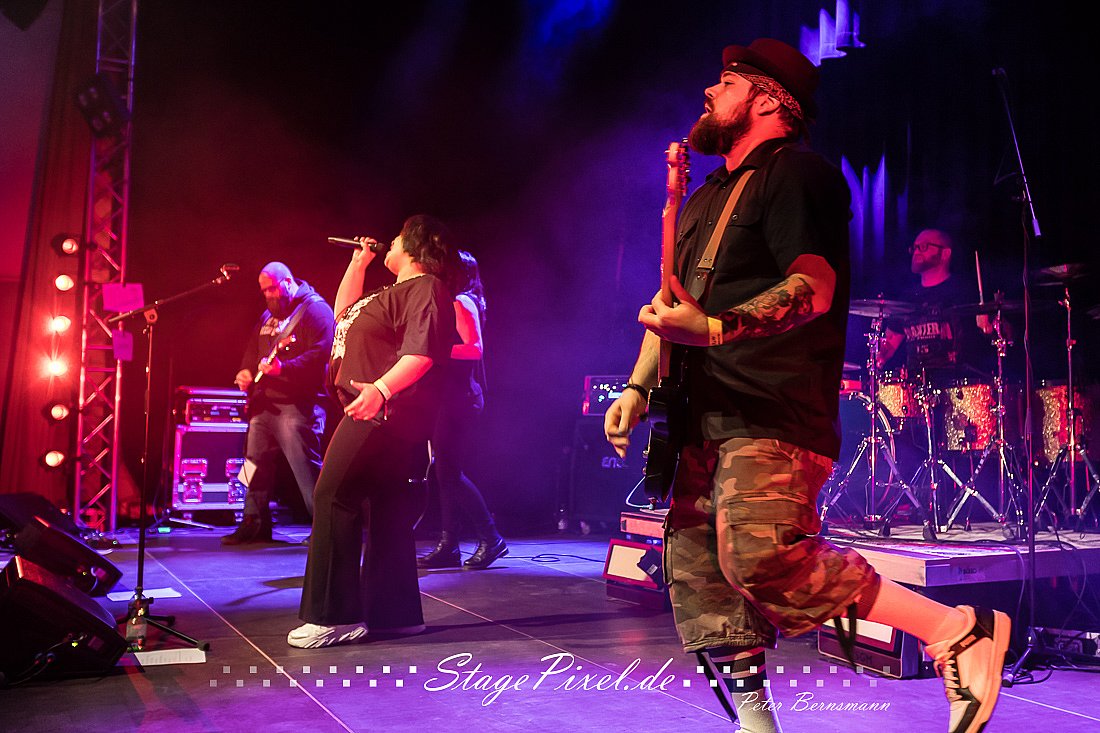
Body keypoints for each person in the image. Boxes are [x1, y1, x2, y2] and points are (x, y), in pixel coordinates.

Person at [603, 38, 1010, 733]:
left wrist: (717, 327)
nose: (709, 91)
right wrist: (639, 387)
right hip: (701, 416)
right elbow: (672, 305)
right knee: (705, 586)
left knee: (760, 556)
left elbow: (813, 286)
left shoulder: (798, 174)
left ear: (768, 99)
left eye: (727, 81)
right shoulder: (707, 196)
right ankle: (756, 726)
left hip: (770, 409)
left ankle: (957, 629)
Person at [288, 215, 455, 649]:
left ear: (413, 246)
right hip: (376, 408)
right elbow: (343, 317)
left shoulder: (426, 287)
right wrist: (358, 264)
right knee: (387, 507)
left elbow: (422, 352)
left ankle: (334, 616)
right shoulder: (386, 293)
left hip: (384, 411)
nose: (388, 243)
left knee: (333, 494)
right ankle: (394, 615)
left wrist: (380, 390)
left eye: (396, 238)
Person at [225, 262, 334, 545]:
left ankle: (326, 528)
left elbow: (321, 355)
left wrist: (284, 369)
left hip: (298, 405)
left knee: (306, 469)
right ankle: (253, 522)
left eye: (271, 289)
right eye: (263, 291)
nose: (268, 295)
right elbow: (253, 350)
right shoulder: (267, 316)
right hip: (264, 405)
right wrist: (246, 371)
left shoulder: (316, 311)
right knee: (252, 466)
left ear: (287, 282)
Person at [417, 250, 507, 570]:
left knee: (449, 473)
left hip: (459, 398)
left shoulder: (462, 301)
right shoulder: (456, 300)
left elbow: (474, 349)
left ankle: (491, 538)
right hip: (449, 396)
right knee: (444, 473)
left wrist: (432, 351)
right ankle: (449, 545)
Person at [876, 228, 995, 382]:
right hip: (916, 386)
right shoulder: (907, 298)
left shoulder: (964, 292)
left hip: (957, 384)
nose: (916, 252)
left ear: (945, 254)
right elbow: (889, 344)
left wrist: (989, 328)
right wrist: (879, 355)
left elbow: (1002, 334)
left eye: (923, 247)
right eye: (914, 248)